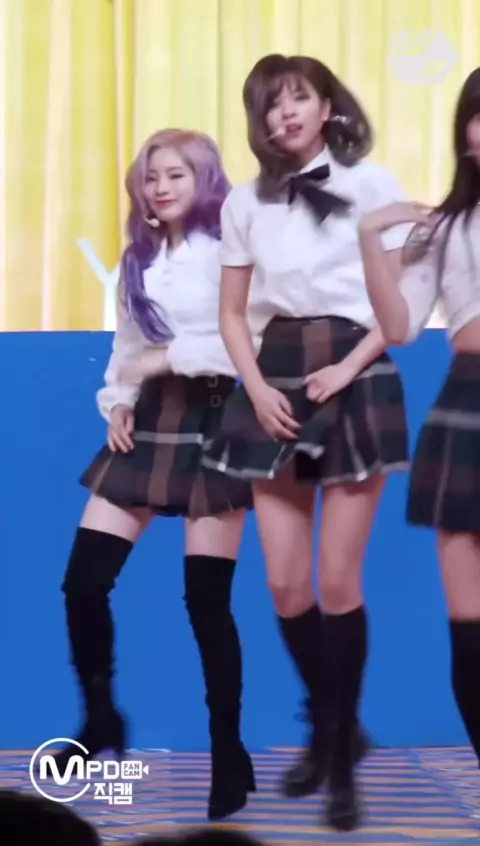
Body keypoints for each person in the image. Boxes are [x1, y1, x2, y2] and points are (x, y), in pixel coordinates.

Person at [201, 53, 412, 831]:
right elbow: (232, 313)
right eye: (271, 103)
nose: (284, 114)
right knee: (287, 588)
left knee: (336, 582)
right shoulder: (244, 203)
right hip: (278, 369)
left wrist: (348, 368)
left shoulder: (374, 185)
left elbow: (401, 307)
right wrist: (257, 388)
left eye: (299, 99)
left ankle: (341, 764)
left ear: (328, 106)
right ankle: (334, 728)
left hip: (355, 366)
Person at [40, 129, 261, 821]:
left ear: (204, 180)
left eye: (175, 175)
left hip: (219, 417)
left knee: (205, 600)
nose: (159, 187)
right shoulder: (138, 257)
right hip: (151, 419)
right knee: (83, 583)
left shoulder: (232, 249)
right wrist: (117, 403)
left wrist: (169, 358)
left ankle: (228, 749)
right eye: (151, 177)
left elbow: (248, 339)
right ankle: (100, 718)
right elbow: (127, 350)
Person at [358, 67, 480, 771]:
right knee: (470, 628)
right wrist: (373, 239)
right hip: (467, 407)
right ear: (466, 132)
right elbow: (400, 326)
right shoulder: (447, 227)